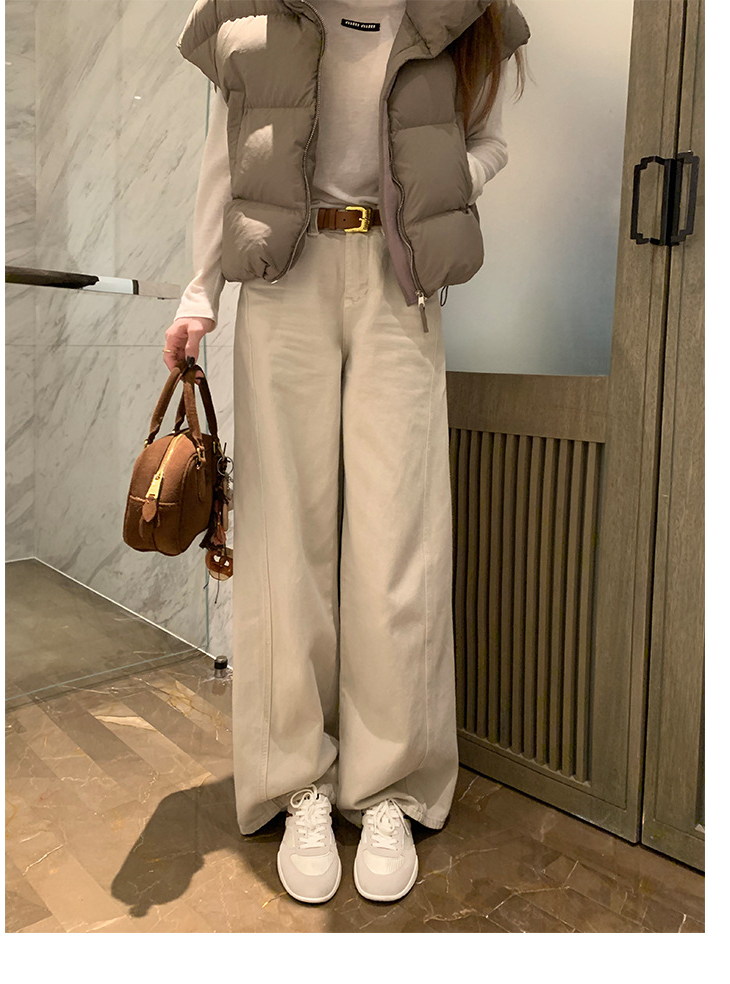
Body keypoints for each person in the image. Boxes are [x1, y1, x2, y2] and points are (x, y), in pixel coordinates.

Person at [164, 0, 529, 905]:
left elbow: (490, 138)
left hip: (399, 285)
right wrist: (198, 293)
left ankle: (390, 786)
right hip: (284, 281)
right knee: (285, 539)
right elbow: (227, 155)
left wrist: (446, 180)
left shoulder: (453, 16)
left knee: (399, 540)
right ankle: (299, 781)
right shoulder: (258, 13)